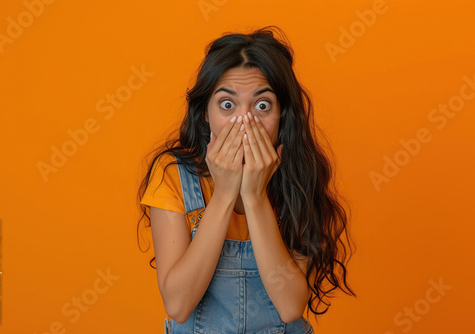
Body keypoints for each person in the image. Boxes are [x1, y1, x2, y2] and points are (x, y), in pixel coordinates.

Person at [137, 25, 356, 333]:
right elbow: (178, 305)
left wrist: (254, 197)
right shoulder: (173, 175)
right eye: (227, 105)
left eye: (262, 105)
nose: (244, 121)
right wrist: (225, 193)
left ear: (283, 116)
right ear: (205, 113)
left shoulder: (298, 176)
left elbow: (290, 305)